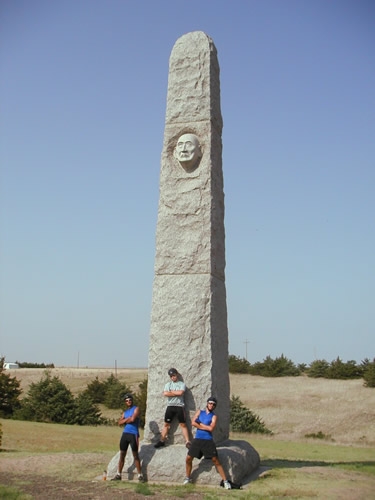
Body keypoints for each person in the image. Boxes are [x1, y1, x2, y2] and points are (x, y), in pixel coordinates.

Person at [184, 397, 231, 489]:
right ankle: (187, 478)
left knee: (215, 460)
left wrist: (200, 424)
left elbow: (211, 428)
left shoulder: (214, 416)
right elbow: (193, 423)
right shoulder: (199, 412)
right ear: (207, 403)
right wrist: (204, 426)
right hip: (197, 439)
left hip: (208, 440)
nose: (211, 405)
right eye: (210, 403)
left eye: (213, 404)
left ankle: (225, 481)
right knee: (188, 458)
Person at [154, 367, 191, 448]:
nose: (173, 377)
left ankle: (188, 441)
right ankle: (162, 440)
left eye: (174, 375)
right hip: (170, 406)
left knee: (183, 424)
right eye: (171, 376)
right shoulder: (168, 384)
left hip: (179, 406)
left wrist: (171, 392)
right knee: (166, 424)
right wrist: (175, 393)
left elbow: (181, 392)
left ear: (176, 375)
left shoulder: (181, 384)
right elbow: (165, 394)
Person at [111, 393, 143, 482]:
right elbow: (119, 422)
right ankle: (118, 474)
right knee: (122, 455)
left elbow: (133, 419)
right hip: (125, 434)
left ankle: (140, 475)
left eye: (130, 400)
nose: (128, 402)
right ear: (125, 402)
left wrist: (126, 420)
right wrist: (127, 419)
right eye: (127, 401)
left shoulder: (136, 409)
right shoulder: (125, 412)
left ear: (132, 401)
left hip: (133, 434)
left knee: (135, 455)